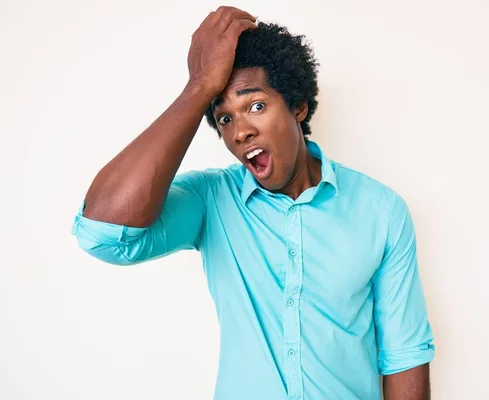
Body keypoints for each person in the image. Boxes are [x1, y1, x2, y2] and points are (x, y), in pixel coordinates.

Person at [71, 6, 435, 400]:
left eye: (255, 106)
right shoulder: (210, 200)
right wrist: (198, 89)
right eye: (223, 118)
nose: (240, 131)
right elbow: (103, 233)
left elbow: (404, 356)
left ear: (298, 107)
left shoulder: (380, 210)